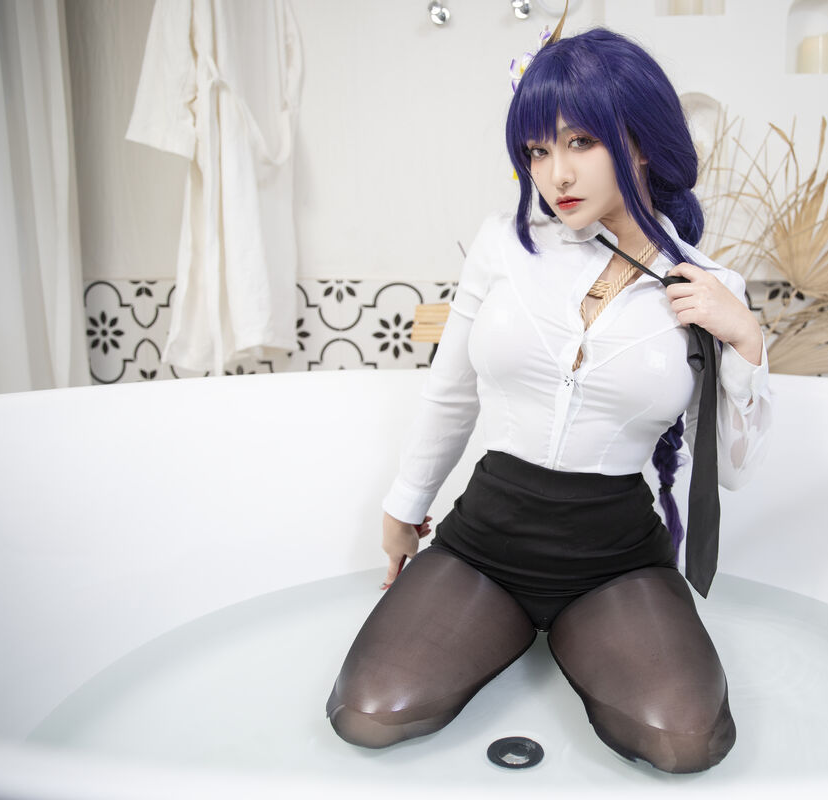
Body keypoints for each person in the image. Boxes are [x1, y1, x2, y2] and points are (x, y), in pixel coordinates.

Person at [325, 26, 772, 774]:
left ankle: (576, 635)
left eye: (579, 142)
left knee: (686, 741)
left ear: (640, 140)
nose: (554, 173)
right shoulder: (504, 245)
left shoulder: (709, 284)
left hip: (615, 559)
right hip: (484, 543)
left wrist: (747, 343)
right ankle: (514, 631)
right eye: (536, 151)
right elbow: (451, 391)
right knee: (368, 714)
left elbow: (731, 471)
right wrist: (404, 509)